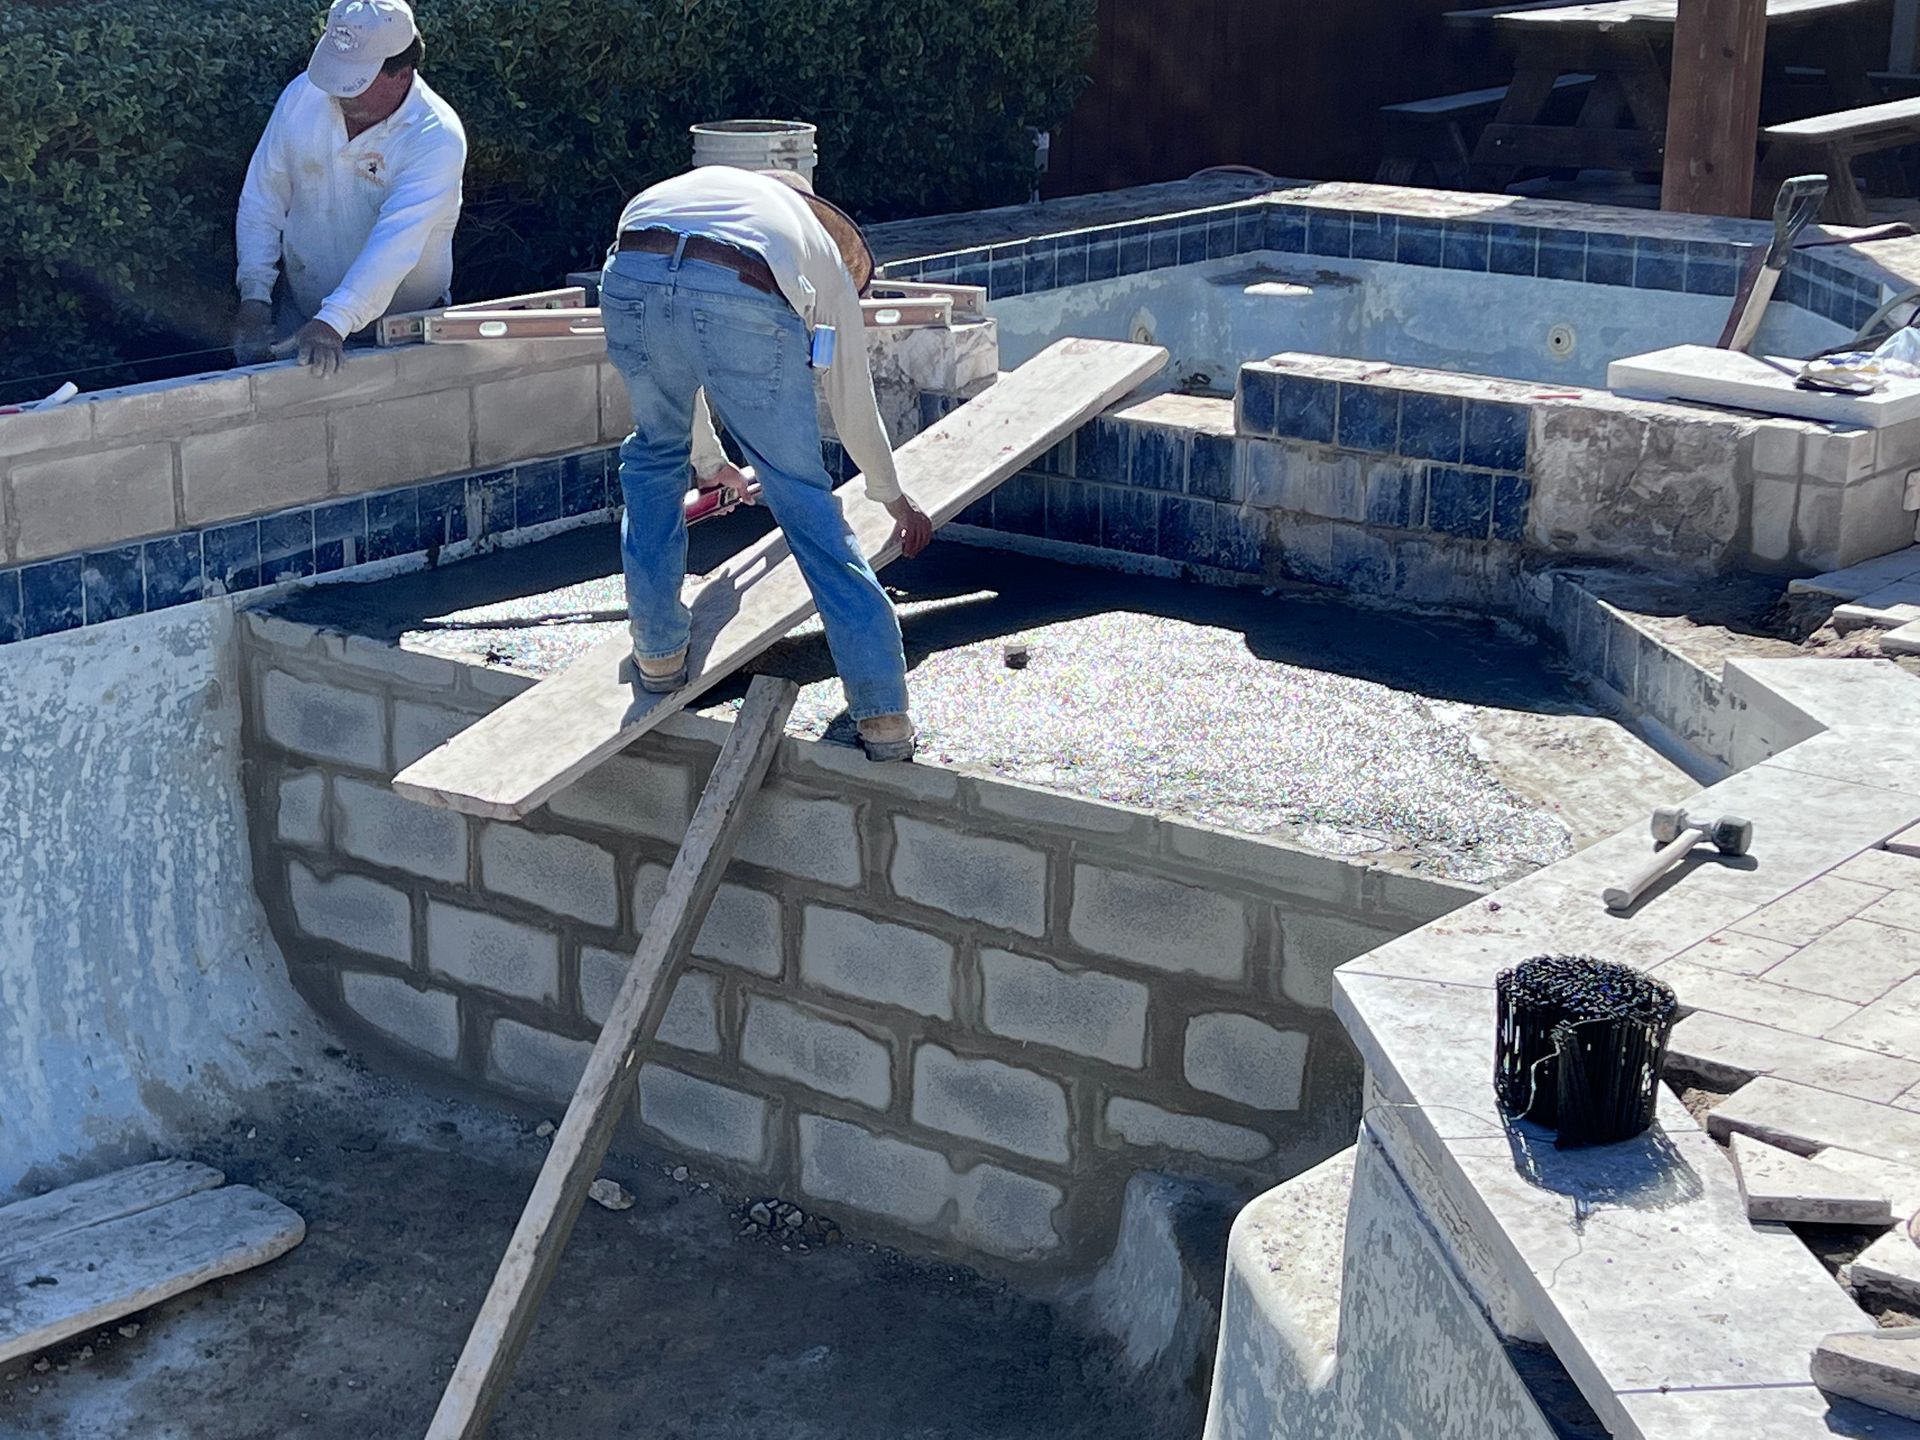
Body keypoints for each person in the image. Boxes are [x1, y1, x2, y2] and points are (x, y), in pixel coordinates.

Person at [600, 166, 933, 762]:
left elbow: (680, 347)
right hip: (743, 290)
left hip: (632, 267)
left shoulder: (697, 191)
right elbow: (850, 394)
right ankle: (883, 713)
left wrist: (709, 464)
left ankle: (657, 655)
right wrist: (891, 496)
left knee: (652, 460)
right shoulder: (818, 249)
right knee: (803, 500)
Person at [232, 0, 466, 376]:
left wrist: (334, 321)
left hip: (402, 335)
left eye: (354, 79)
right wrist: (255, 296)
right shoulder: (302, 97)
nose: (337, 90)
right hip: (304, 322)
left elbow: (395, 245)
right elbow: (264, 198)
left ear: (401, 75)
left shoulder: (435, 138)